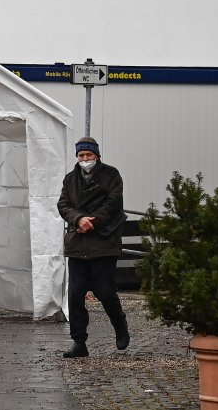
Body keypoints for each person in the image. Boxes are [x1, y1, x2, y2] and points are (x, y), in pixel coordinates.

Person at [57, 137, 130, 358]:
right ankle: (79, 342)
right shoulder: (70, 179)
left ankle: (120, 325)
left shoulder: (111, 175)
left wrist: (93, 222)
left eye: (89, 155)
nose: (85, 159)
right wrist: (79, 219)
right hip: (78, 243)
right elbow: (63, 204)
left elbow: (113, 203)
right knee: (75, 295)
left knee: (105, 292)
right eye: (81, 156)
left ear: (96, 155)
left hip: (103, 242)